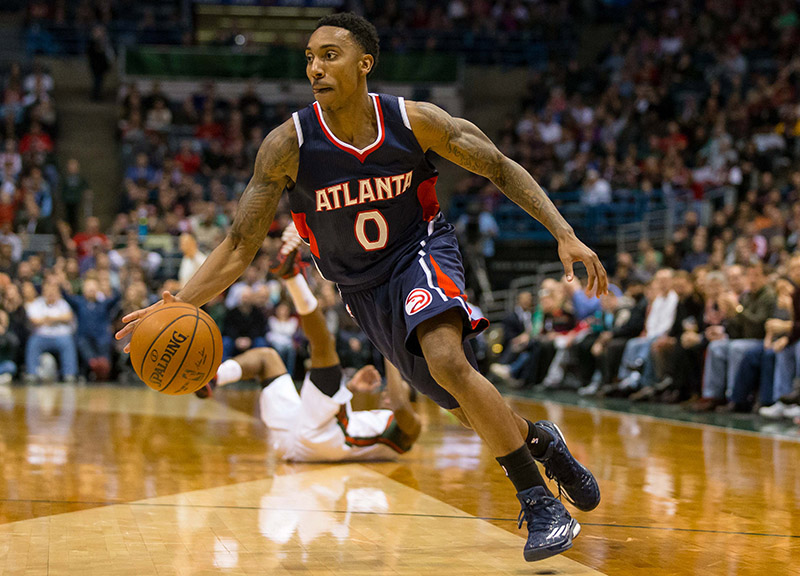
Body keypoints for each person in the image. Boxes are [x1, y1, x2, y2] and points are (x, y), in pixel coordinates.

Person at [117, 13, 606, 563]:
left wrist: (564, 234)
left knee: (447, 360)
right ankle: (542, 444)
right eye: (309, 57)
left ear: (364, 63)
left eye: (329, 54)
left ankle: (538, 501)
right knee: (460, 403)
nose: (315, 67)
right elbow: (238, 243)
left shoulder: (413, 122)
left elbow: (498, 166)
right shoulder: (288, 146)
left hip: (419, 251)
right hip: (361, 289)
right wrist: (178, 304)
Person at [198, 261, 421, 462]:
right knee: (267, 358)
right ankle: (214, 378)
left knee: (324, 344)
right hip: (296, 432)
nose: (386, 394)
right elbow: (347, 416)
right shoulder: (379, 419)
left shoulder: (411, 427)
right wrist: (350, 387)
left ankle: (293, 276)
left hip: (320, 437)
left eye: (395, 390)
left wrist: (387, 344)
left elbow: (400, 404)